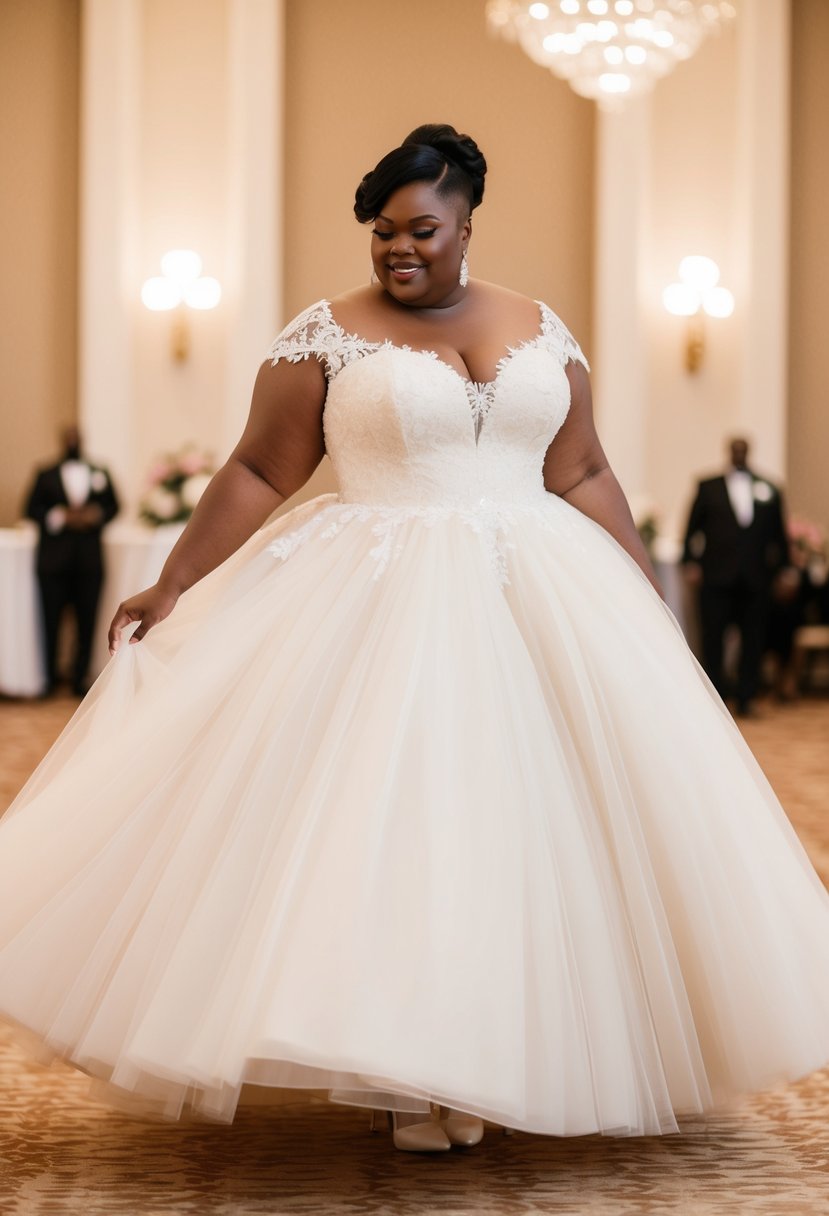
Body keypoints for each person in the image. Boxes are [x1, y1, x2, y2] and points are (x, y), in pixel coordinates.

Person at [2, 125, 829, 1154]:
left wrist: (643, 588)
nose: (398, 250)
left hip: (541, 598)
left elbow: (579, 471)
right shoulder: (324, 336)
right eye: (381, 233)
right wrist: (174, 581)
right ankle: (403, 1069)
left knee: (523, 829)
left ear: (467, 224)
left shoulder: (540, 325)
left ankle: (488, 1057)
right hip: (372, 594)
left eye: (421, 230)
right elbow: (260, 471)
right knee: (393, 824)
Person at [682, 437, 789, 716]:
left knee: (753, 639)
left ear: (748, 452)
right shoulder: (708, 486)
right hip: (716, 575)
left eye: (743, 449)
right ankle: (715, 697)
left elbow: (779, 534)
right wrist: (690, 561)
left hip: (756, 577)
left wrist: (784, 569)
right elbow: (692, 528)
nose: (739, 453)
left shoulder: (769, 487)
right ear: (729, 452)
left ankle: (746, 697)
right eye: (735, 449)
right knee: (713, 637)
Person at [24, 425, 119, 696]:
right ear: (62, 440)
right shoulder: (45, 474)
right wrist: (60, 516)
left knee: (87, 621)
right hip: (52, 562)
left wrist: (95, 515)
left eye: (77, 437)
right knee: (49, 621)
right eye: (69, 437)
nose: (73, 441)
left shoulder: (100, 471)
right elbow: (31, 509)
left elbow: (114, 506)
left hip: (89, 562)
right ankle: (49, 679)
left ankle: (80, 679)